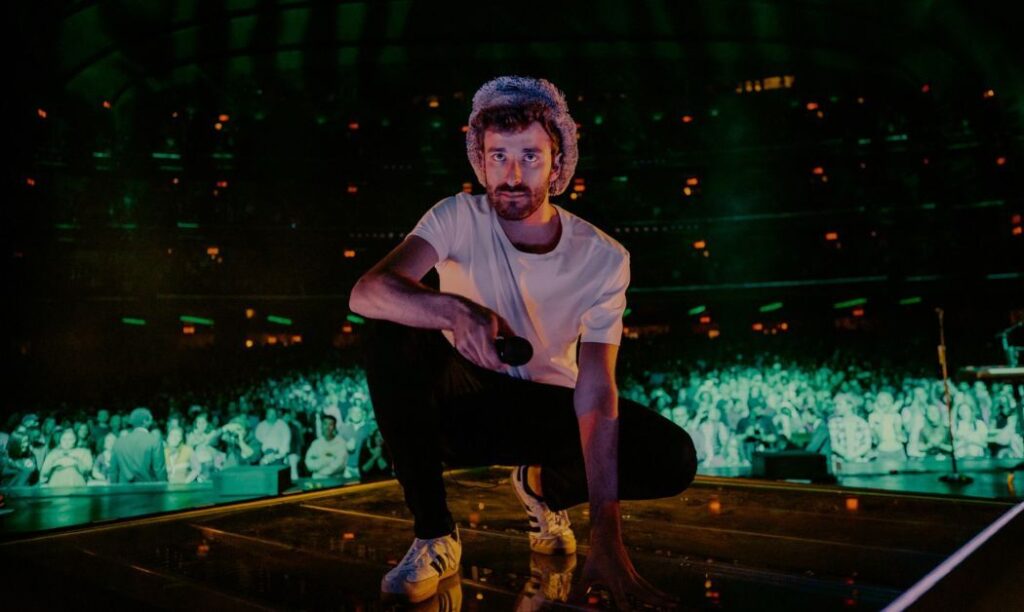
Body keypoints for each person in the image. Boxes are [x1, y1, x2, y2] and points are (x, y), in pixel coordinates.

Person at [349, 75, 695, 607]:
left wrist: (608, 537)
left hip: (544, 411)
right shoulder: (456, 217)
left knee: (672, 457)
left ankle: (542, 488)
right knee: (390, 319)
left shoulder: (605, 258)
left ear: (558, 165)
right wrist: (454, 309)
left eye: (530, 156)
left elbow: (598, 388)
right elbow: (367, 292)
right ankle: (435, 534)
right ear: (479, 160)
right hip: (460, 404)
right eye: (498, 156)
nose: (512, 175)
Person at [110, 407, 167, 483]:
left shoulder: (119, 442)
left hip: (124, 491)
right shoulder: (154, 441)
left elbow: (113, 471)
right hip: (147, 490)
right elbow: (159, 470)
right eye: (151, 419)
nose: (152, 421)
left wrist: (114, 490)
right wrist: (164, 488)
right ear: (145, 421)